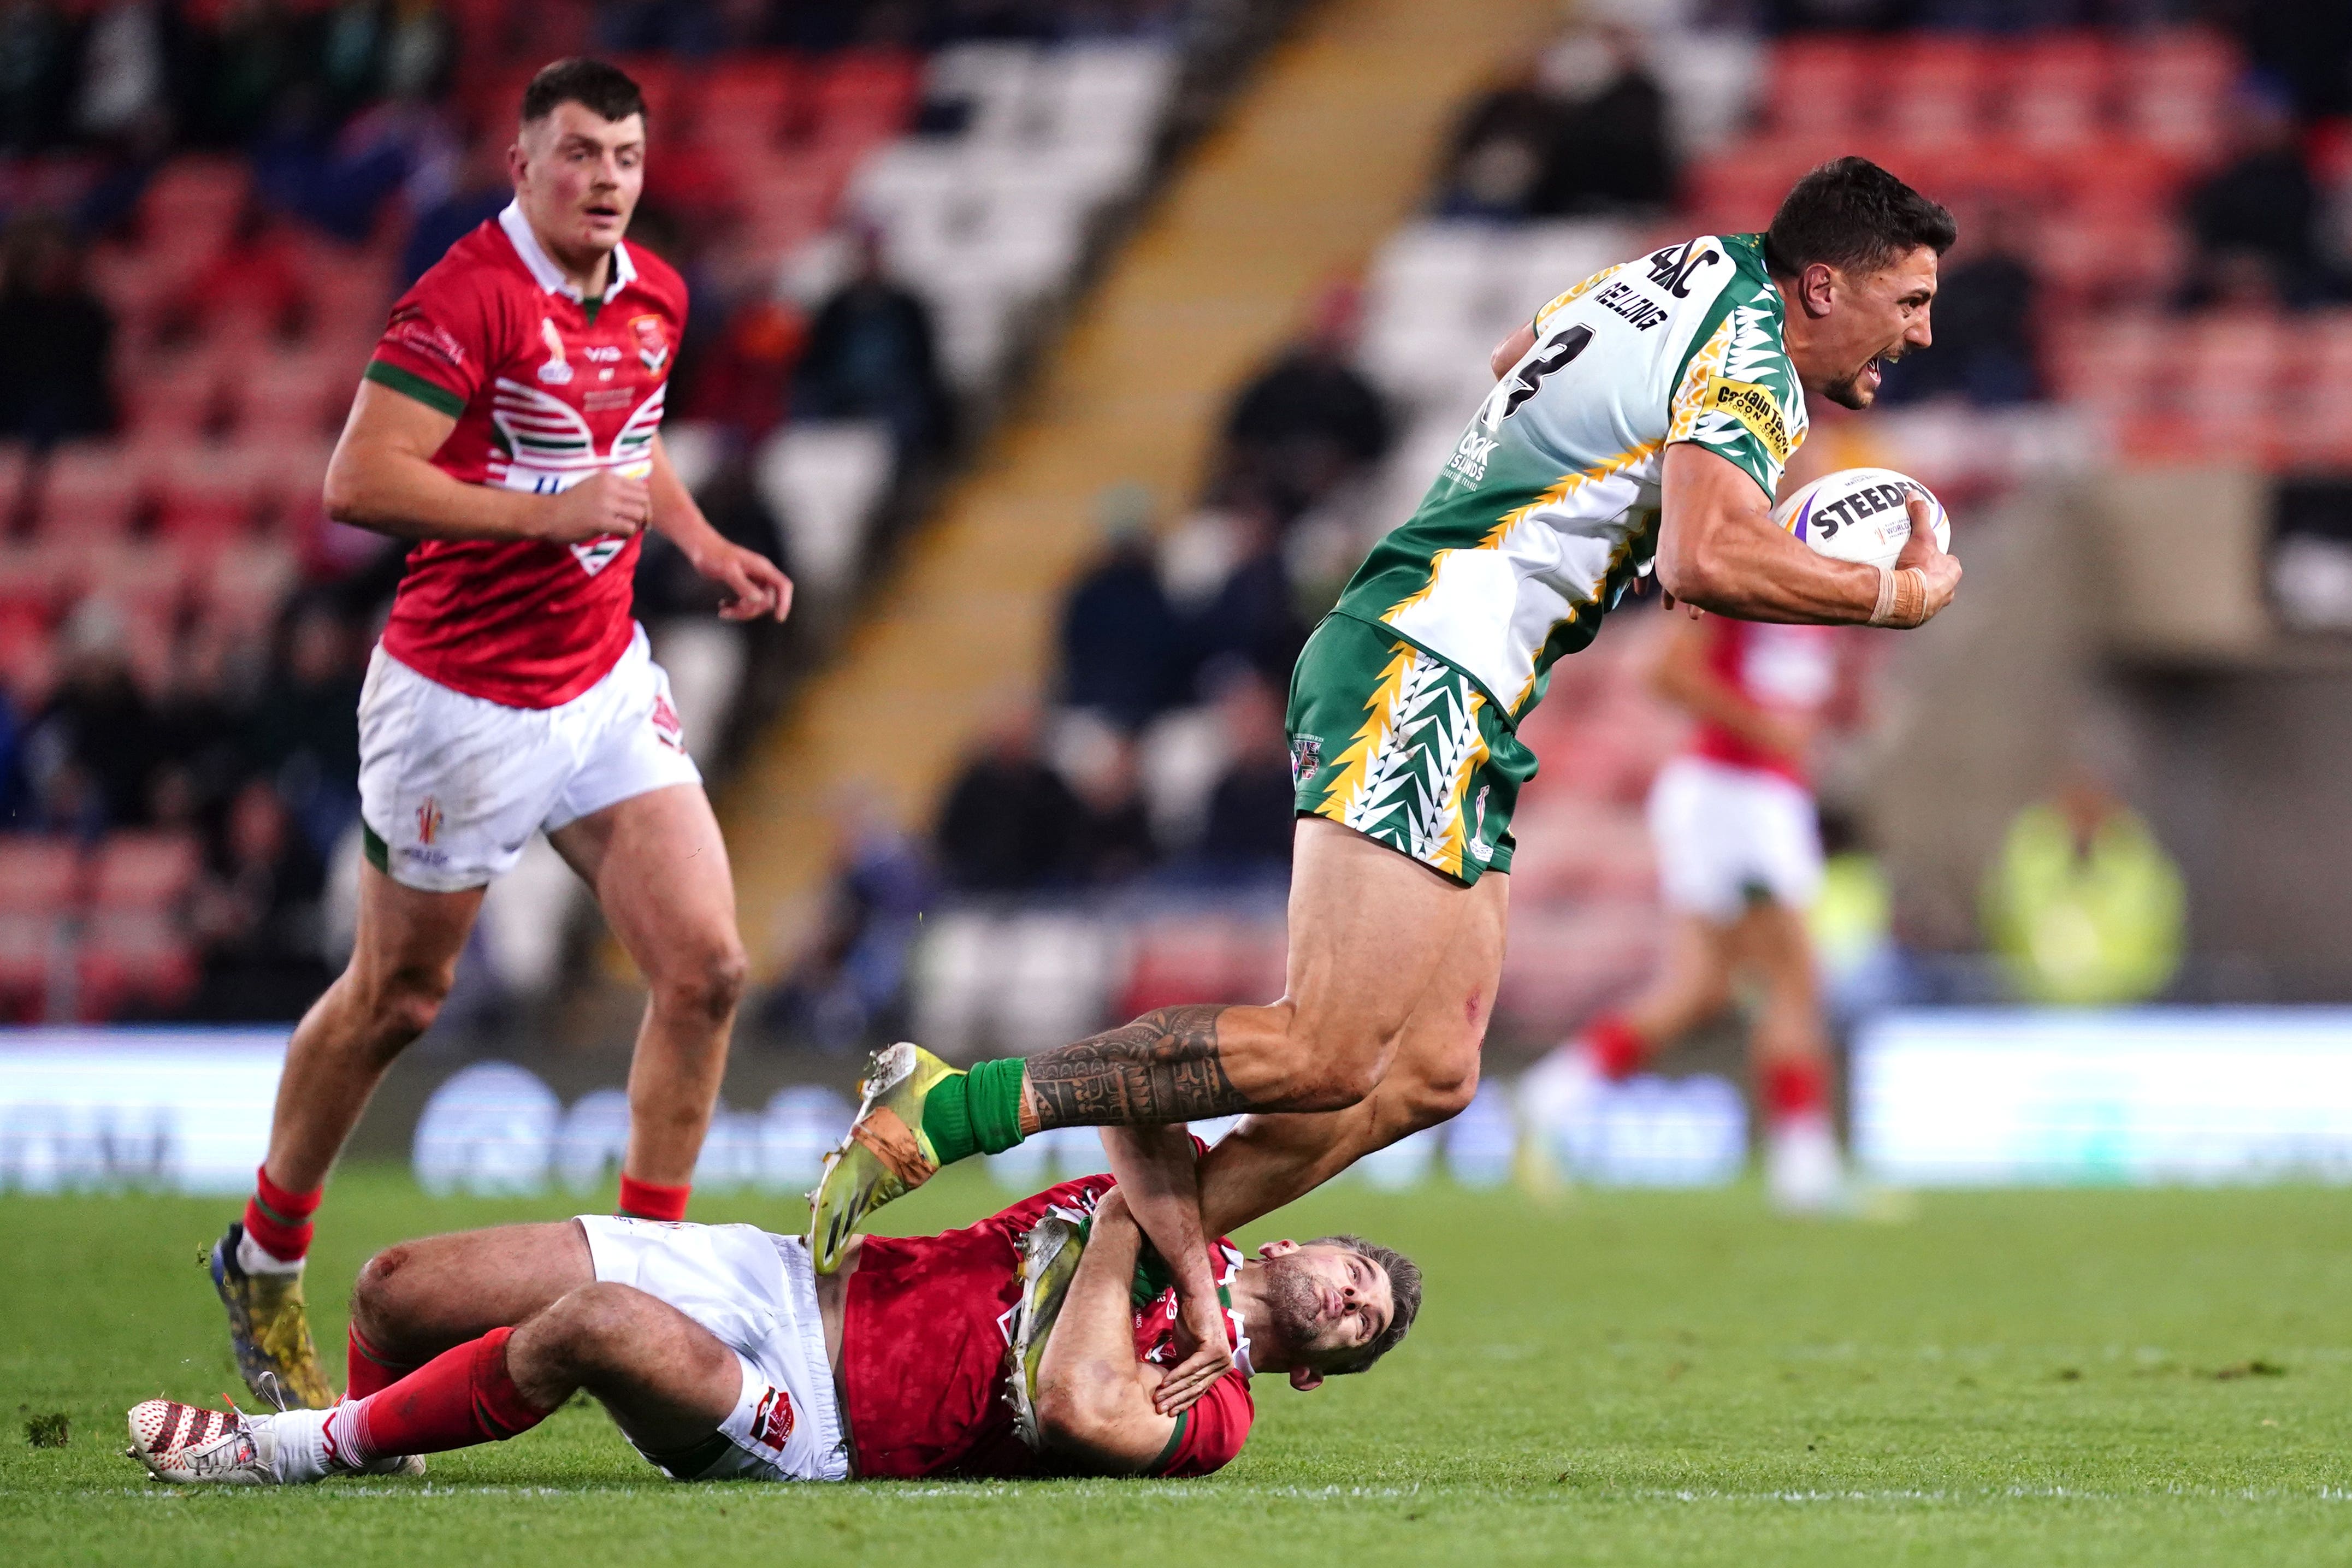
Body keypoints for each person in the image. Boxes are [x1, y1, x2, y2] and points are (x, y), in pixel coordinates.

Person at [811, 157, 1964, 1366]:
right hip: (1426, 656)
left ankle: (1114, 1257)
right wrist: (1893, 595)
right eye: (1908, 301)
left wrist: (1604, 496)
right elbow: (1701, 560)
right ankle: (949, 1106)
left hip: (1463, 674)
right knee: (1324, 1047)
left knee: (1426, 1074)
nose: (1923, 330)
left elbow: (1516, 350)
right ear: (1823, 286)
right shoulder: (1754, 357)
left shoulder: (1691, 267)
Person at [208, 58, 794, 1415]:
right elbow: (358, 479)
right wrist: (543, 516)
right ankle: (264, 1252)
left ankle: (646, 1281)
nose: (607, 181)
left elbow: (626, 446)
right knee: (398, 1000)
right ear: (523, 164)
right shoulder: (464, 296)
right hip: (457, 703)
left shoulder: (654, 292)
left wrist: (700, 541)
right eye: (581, 154)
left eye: (628, 158)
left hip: (595, 682)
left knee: (706, 969)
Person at [129, 1153, 1418, 1486]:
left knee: (597, 1325)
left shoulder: (1224, 1413)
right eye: (1363, 1272)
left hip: (818, 1420)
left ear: (1322, 1371)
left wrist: (1141, 1231)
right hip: (784, 1277)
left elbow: (1082, 1405)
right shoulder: (1180, 1196)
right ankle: (385, 1447)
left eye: (1367, 1328)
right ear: (1300, 1238)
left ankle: (291, 1446)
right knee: (395, 1288)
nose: (1358, 1300)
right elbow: (1147, 1078)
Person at [1534, 612, 1863, 1213]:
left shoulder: (1816, 586)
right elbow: (1664, 670)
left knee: (1701, 987)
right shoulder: (1745, 580)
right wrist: (1764, 728)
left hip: (1745, 796)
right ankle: (1804, 1171)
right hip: (1739, 796)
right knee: (1793, 977)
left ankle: (1552, 1096)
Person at [1981, 765, 2185, 1007]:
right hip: (2033, 1014)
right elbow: (2009, 920)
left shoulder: (2136, 855)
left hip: (2127, 1014)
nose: (2084, 812)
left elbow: (2155, 934)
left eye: (2094, 801)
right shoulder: (2029, 848)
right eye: (2075, 801)